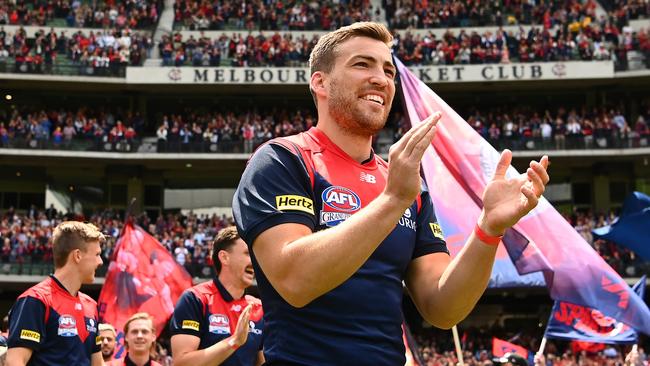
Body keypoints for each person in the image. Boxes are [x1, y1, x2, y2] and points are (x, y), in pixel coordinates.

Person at [232, 21, 550, 365]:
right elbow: (295, 280)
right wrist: (391, 201)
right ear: (320, 82)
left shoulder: (405, 184)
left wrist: (488, 230)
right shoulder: (283, 159)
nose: (381, 79)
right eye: (362, 64)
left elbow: (442, 308)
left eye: (388, 70)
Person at [6, 221, 105, 366]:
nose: (100, 261)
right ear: (77, 255)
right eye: (97, 254)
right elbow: (14, 362)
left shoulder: (91, 305)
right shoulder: (35, 300)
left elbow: (97, 364)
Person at [170, 226, 264, 366]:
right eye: (247, 253)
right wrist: (234, 342)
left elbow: (261, 362)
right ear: (224, 257)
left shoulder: (258, 307)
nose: (254, 261)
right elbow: (182, 363)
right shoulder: (195, 299)